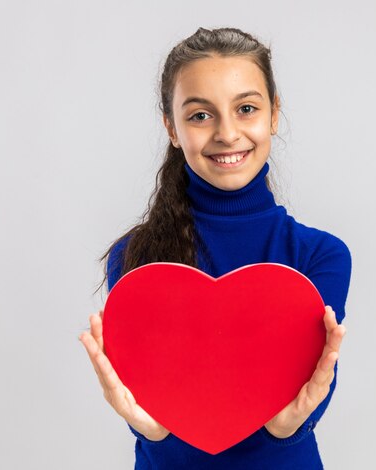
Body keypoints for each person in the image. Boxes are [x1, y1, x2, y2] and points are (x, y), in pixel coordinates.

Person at [79, 27, 352, 469]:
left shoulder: (319, 257)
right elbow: (158, 414)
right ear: (171, 127)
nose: (227, 133)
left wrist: (289, 424)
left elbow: (296, 414)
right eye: (200, 115)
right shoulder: (135, 257)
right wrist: (148, 428)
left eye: (246, 109)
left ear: (274, 114)